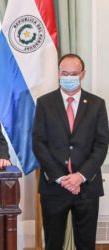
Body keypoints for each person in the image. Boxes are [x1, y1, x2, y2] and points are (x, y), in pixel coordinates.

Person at [32, 53, 109, 250]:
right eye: (64, 73)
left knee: (86, 244)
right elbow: (38, 143)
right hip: (54, 186)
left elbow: (101, 144)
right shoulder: (44, 103)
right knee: (53, 243)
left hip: (87, 186)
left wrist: (81, 176)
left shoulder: (97, 104)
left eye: (73, 74)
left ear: (82, 74)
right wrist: (61, 178)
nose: (68, 78)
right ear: (58, 74)